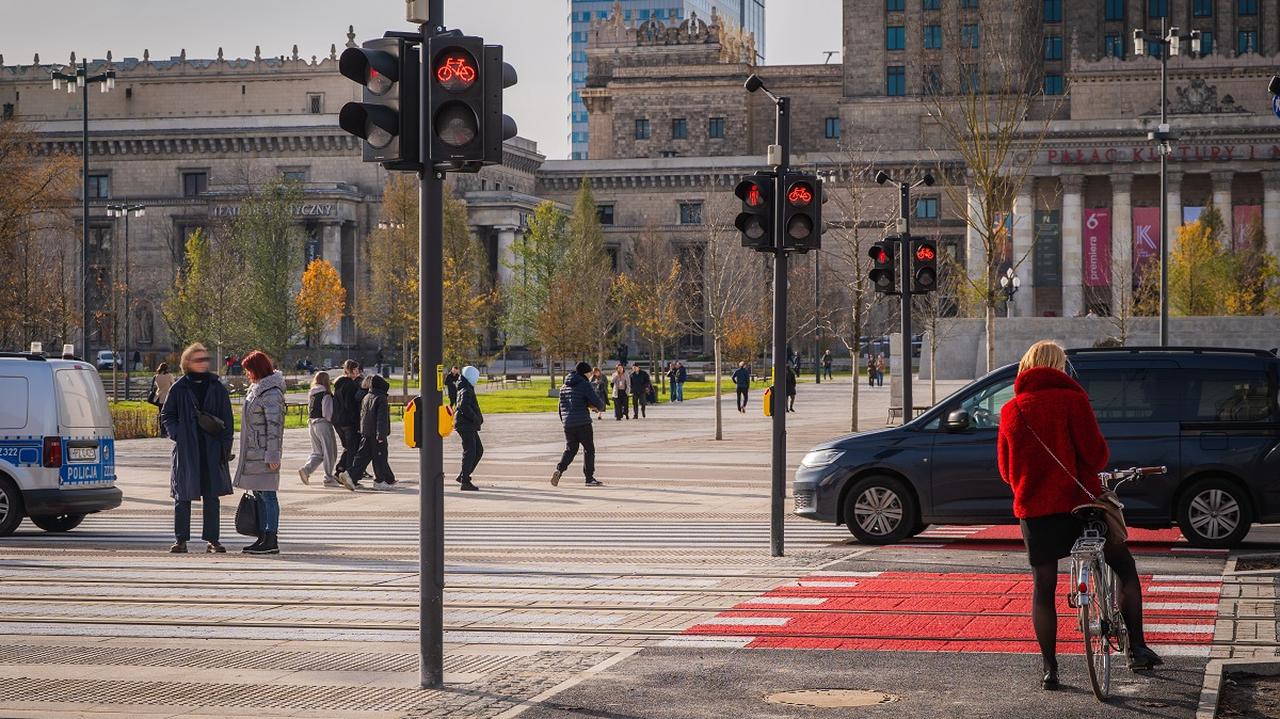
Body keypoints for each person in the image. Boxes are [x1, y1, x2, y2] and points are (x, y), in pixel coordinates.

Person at [997, 340, 1161, 691]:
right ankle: (1138, 648)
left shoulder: (1012, 410)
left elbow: (1006, 472)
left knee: (1044, 586)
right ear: (1060, 367)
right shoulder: (1073, 400)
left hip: (1036, 512)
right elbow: (1096, 456)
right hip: (1079, 507)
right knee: (1123, 565)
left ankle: (1050, 670)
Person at [160, 343, 234, 554]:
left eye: (205, 359)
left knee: (212, 496)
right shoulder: (179, 388)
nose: (203, 363)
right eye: (198, 359)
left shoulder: (216, 387)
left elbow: (227, 421)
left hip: (211, 448)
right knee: (182, 496)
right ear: (187, 363)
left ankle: (213, 539)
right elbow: (167, 415)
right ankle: (181, 539)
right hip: (187, 449)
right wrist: (177, 434)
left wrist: (225, 447)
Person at [233, 351, 287, 555]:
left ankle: (271, 538)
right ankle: (263, 537)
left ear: (258, 369)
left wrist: (273, 455)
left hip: (264, 453)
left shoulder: (271, 393)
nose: (247, 374)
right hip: (254, 452)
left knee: (269, 496)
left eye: (249, 370)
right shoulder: (257, 390)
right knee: (260, 494)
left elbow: (275, 426)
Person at [552, 362, 605, 487]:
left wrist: (564, 422)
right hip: (583, 422)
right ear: (585, 373)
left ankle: (559, 469)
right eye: (589, 373)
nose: (590, 375)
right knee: (589, 449)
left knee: (571, 449)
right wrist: (599, 407)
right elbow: (597, 401)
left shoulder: (564, 386)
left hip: (568, 424)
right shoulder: (584, 384)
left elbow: (560, 407)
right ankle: (589, 478)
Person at [299, 371, 352, 491]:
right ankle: (328, 478)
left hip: (312, 423)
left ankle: (306, 469)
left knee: (318, 452)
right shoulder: (325, 394)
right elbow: (327, 413)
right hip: (323, 424)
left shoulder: (312, 393)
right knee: (330, 452)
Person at [348, 374, 396, 489]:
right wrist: (381, 435)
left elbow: (363, 415)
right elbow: (381, 419)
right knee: (380, 457)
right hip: (376, 433)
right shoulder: (381, 398)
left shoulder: (367, 397)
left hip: (366, 432)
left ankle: (351, 476)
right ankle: (379, 481)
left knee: (363, 457)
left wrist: (363, 430)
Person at [332, 360, 366, 484]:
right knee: (353, 448)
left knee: (348, 447)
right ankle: (349, 475)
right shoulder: (350, 385)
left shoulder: (339, 384)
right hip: (348, 421)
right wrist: (357, 423)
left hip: (338, 420)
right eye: (356, 369)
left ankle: (340, 470)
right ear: (351, 370)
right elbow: (351, 406)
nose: (358, 371)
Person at [453, 365, 484, 491]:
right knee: (470, 452)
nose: (476, 379)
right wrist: (476, 418)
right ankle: (465, 480)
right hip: (466, 425)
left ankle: (463, 475)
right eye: (475, 377)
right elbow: (463, 406)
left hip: (467, 425)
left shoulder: (466, 387)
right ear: (470, 377)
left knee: (478, 450)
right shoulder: (466, 389)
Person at [148, 362, 176, 435]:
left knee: (161, 414)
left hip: (159, 397)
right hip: (168, 397)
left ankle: (162, 431)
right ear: (167, 368)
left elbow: (154, 387)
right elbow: (173, 385)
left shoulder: (156, 376)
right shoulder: (169, 376)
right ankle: (167, 430)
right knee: (169, 414)